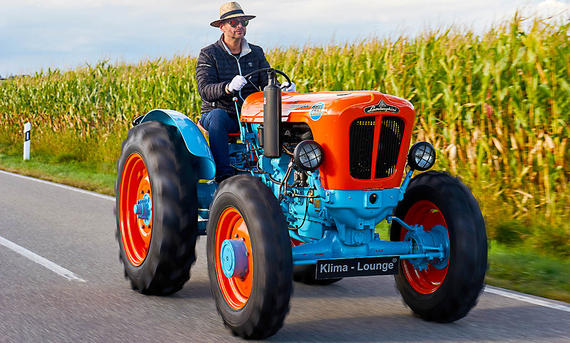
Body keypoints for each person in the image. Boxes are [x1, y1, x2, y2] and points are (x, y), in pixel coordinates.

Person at [196, 1, 294, 183]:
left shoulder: (255, 52)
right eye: (234, 23)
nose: (240, 26)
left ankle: (278, 173)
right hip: (220, 115)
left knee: (282, 116)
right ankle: (223, 176)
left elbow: (267, 80)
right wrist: (227, 87)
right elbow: (205, 90)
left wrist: (282, 89)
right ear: (222, 26)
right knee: (217, 117)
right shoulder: (209, 54)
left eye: (243, 22)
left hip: (248, 115)